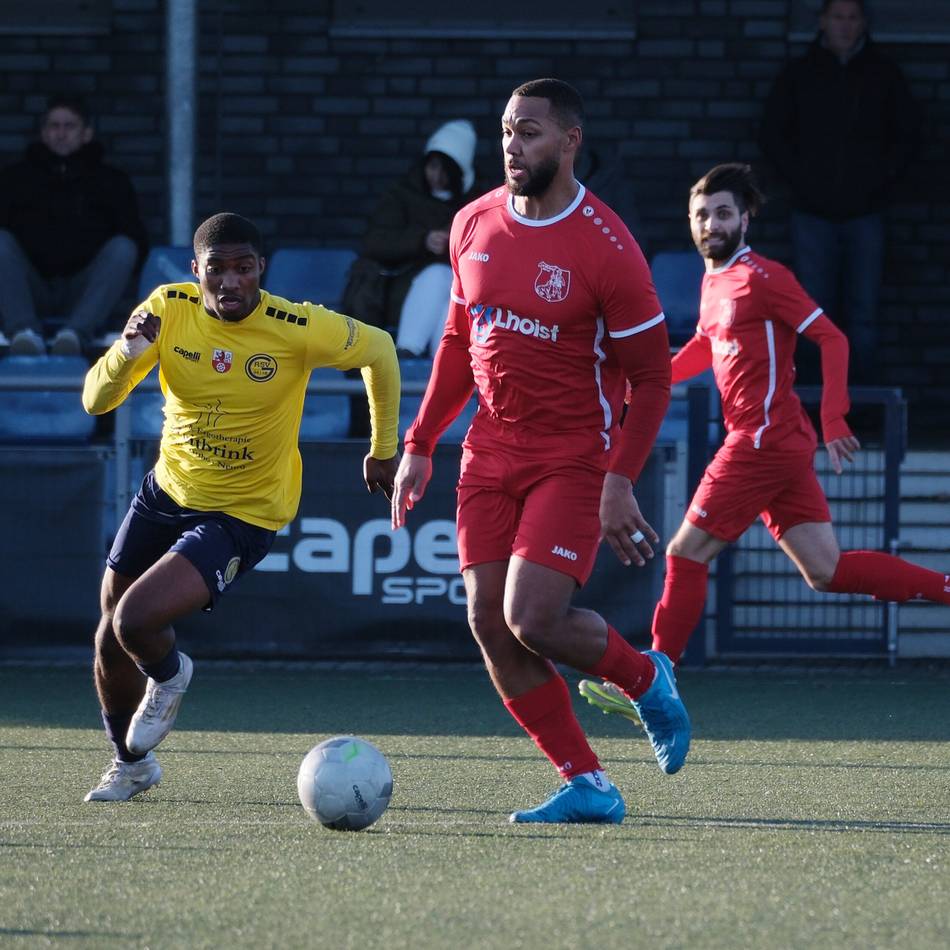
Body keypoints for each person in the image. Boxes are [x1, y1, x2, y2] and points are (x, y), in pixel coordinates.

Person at [391, 78, 689, 826]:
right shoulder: (472, 223)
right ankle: (587, 782)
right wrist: (421, 442)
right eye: (506, 131)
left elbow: (653, 381)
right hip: (488, 449)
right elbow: (459, 343)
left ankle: (644, 677)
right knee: (488, 622)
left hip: (572, 454)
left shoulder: (609, 249)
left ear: (569, 141)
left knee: (534, 615)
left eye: (529, 133)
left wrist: (620, 481)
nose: (513, 147)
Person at [579, 163, 950, 728]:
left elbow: (831, 336)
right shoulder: (714, 281)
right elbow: (707, 346)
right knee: (825, 571)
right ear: (690, 222)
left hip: (760, 440)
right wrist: (639, 383)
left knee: (683, 553)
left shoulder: (763, 277)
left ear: (745, 219)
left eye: (724, 213)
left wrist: (835, 415)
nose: (712, 223)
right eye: (702, 215)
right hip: (778, 444)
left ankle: (653, 680)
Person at [80, 212, 400, 802]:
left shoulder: (296, 325)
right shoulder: (167, 308)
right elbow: (97, 400)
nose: (231, 282)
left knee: (135, 620)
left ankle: (173, 675)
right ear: (195, 270)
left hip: (244, 512)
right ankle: (131, 765)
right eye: (218, 270)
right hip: (167, 490)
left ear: (261, 270)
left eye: (244, 268)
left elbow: (379, 351)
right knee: (108, 635)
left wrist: (384, 450)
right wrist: (127, 352)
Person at [758, 0, 919, 383]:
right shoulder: (800, 75)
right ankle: (816, 410)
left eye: (852, 18)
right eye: (838, 18)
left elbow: (908, 138)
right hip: (812, 213)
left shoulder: (884, 75)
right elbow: (772, 135)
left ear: (862, 24)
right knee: (815, 312)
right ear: (823, 22)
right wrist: (805, 181)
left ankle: (858, 410)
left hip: (866, 213)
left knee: (864, 314)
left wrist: (877, 182)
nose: (845, 26)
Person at [0, 96, 148, 356]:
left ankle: (75, 335)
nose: (61, 133)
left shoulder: (111, 181)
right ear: (44, 133)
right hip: (31, 288)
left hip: (85, 291)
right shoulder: (16, 179)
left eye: (69, 126)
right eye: (54, 126)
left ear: (86, 133)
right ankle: (24, 334)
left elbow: (135, 240)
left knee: (124, 247)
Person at [341, 119, 478, 358]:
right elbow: (375, 242)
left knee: (450, 298)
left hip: (456, 293)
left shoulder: (474, 201)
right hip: (399, 292)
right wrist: (422, 241)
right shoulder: (402, 195)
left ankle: (424, 359)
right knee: (439, 277)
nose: (437, 177)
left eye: (446, 171)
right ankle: (417, 355)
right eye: (433, 167)